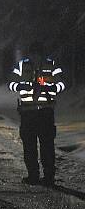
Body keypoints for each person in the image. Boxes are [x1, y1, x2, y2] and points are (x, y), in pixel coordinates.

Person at [8, 41, 66, 186]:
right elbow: (11, 84)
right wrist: (24, 85)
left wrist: (48, 88)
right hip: (28, 113)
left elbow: (63, 84)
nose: (36, 57)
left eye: (38, 54)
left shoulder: (51, 65)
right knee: (29, 146)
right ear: (30, 54)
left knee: (47, 146)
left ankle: (48, 177)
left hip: (45, 112)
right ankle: (33, 176)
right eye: (34, 54)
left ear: (42, 54)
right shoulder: (21, 66)